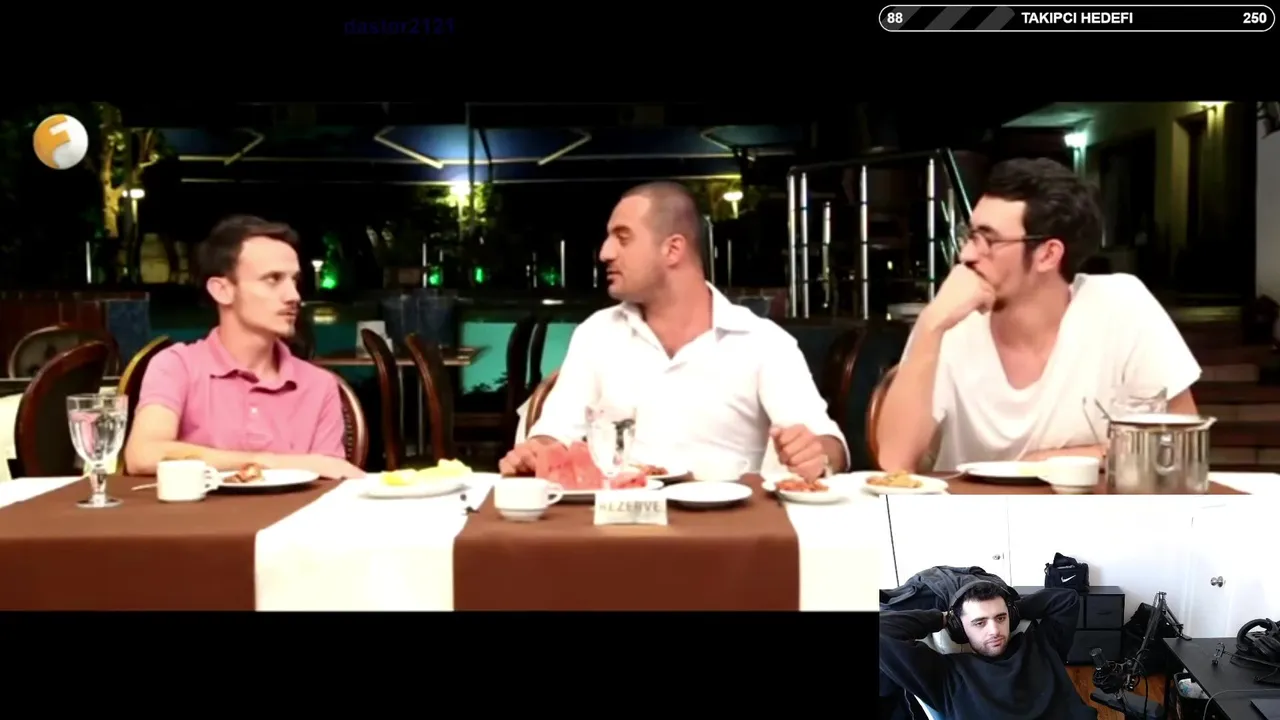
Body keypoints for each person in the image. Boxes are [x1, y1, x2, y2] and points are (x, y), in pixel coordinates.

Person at [499, 181, 848, 479]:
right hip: (621, 522)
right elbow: (554, 433)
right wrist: (535, 452)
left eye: (623, 238)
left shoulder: (762, 342)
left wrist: (816, 454)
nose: (605, 252)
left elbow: (830, 446)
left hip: (730, 527)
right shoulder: (597, 334)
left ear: (673, 249)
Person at [875, 158, 1200, 472]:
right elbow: (894, 461)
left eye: (988, 239)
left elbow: (1178, 443)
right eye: (970, 235)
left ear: (1048, 254)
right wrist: (931, 323)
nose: (966, 254)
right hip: (973, 509)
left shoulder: (1120, 306)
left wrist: (1055, 461)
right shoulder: (949, 320)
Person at [123, 215, 363, 479]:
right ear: (222, 290)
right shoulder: (177, 365)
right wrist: (268, 462)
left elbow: (330, 481)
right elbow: (143, 455)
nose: (294, 296)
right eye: (273, 279)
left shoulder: (319, 385)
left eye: (294, 281)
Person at [879, 582, 1096, 719]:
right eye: (979, 622)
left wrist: (1013, 609)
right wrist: (943, 618)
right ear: (959, 627)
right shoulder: (946, 674)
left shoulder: (1041, 643)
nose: (994, 630)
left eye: (1000, 618)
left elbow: (1066, 599)